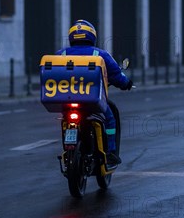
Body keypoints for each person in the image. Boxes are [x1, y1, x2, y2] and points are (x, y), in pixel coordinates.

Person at [55, 19, 132, 166]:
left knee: (65, 120)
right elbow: (116, 75)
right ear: (92, 36)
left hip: (66, 100)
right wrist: (126, 84)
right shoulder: (99, 54)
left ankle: (68, 146)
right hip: (93, 102)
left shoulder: (61, 54)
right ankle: (110, 153)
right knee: (110, 118)